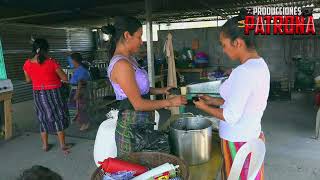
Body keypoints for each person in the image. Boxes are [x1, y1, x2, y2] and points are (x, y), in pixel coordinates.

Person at [193, 14, 270, 180]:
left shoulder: (243, 72)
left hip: (238, 142)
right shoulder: (260, 65)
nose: (223, 49)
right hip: (251, 135)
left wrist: (204, 107)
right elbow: (245, 102)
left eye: (224, 44)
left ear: (238, 43)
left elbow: (231, 115)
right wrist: (214, 101)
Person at [104, 16, 187, 157]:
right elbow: (138, 104)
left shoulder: (130, 59)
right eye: (139, 36)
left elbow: (140, 90)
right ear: (126, 35)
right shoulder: (121, 64)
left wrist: (162, 90)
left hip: (141, 126)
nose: (141, 42)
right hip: (130, 130)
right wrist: (171, 102)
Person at [23, 38, 73, 154]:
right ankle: (63, 145)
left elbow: (27, 80)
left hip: (38, 94)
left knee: (42, 117)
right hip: (54, 93)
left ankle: (45, 145)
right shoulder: (51, 62)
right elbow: (64, 78)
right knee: (58, 116)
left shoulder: (27, 64)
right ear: (46, 50)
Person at [69, 52, 91, 131]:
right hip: (78, 90)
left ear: (74, 60)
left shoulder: (81, 70)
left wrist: (77, 94)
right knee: (80, 108)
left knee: (81, 108)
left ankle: (85, 124)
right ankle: (83, 123)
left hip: (80, 91)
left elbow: (80, 83)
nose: (70, 62)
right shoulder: (80, 69)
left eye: (71, 60)